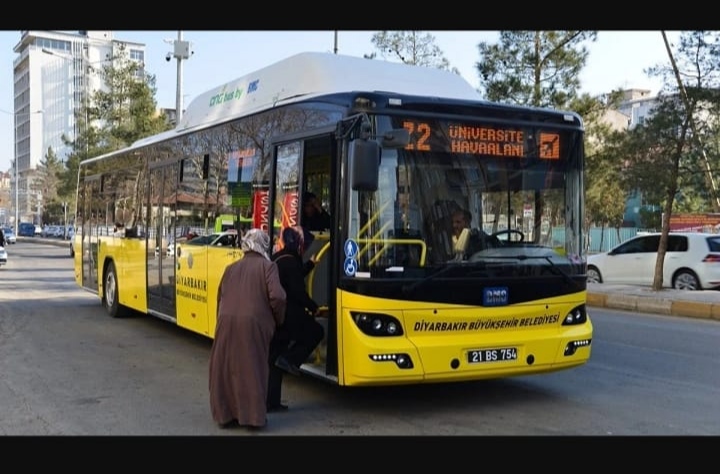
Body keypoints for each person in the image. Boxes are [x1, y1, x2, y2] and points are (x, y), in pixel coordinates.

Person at [208, 228, 287, 430]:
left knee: (227, 368)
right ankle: (252, 418)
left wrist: (221, 319)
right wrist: (277, 319)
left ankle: (226, 416)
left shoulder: (231, 267)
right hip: (254, 324)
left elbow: (220, 295)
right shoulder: (268, 267)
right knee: (252, 368)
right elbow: (278, 297)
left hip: (226, 322)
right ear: (263, 245)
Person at [267, 225, 325, 412]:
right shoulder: (292, 262)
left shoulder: (278, 258)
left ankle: (271, 402)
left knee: (274, 359)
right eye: (305, 244)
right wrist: (314, 308)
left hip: (273, 315)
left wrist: (310, 264)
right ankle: (291, 360)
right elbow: (298, 292)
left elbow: (293, 276)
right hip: (289, 314)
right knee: (316, 332)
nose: (306, 248)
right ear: (298, 243)